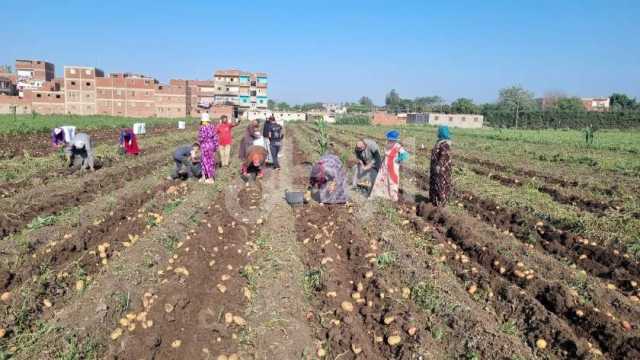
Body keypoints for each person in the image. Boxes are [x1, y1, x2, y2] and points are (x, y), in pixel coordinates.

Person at [369, 130, 409, 202]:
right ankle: (377, 195)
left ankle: (393, 197)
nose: (390, 141)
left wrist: (399, 159)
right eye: (389, 139)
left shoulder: (398, 146)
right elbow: (385, 155)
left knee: (392, 182)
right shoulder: (387, 145)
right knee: (380, 179)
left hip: (393, 167)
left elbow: (406, 155)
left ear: (395, 140)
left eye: (392, 140)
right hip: (384, 166)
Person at [429, 126, 453, 207]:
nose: (437, 132)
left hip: (442, 169)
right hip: (436, 167)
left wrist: (439, 166)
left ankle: (441, 202)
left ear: (442, 133)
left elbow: (443, 156)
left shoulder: (445, 144)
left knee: (441, 184)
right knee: (435, 183)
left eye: (439, 131)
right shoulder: (439, 142)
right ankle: (434, 200)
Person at [198, 113, 219, 184]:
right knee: (210, 162)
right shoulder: (212, 127)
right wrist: (215, 148)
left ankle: (208, 178)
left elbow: (200, 138)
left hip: (204, 147)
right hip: (211, 146)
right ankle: (208, 177)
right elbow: (215, 138)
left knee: (204, 162)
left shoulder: (202, 128)